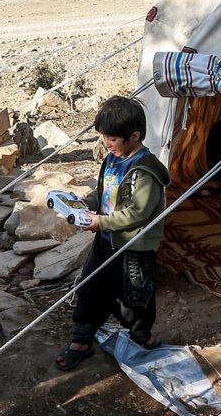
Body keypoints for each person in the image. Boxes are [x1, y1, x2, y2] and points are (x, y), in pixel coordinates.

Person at [56, 96, 171, 370]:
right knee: (90, 287)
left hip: (134, 247)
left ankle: (142, 336)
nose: (107, 144)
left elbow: (137, 213)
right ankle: (81, 341)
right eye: (104, 137)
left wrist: (100, 222)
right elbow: (105, 195)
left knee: (135, 296)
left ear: (134, 136)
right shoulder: (112, 159)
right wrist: (84, 205)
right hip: (105, 240)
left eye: (112, 139)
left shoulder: (145, 171)